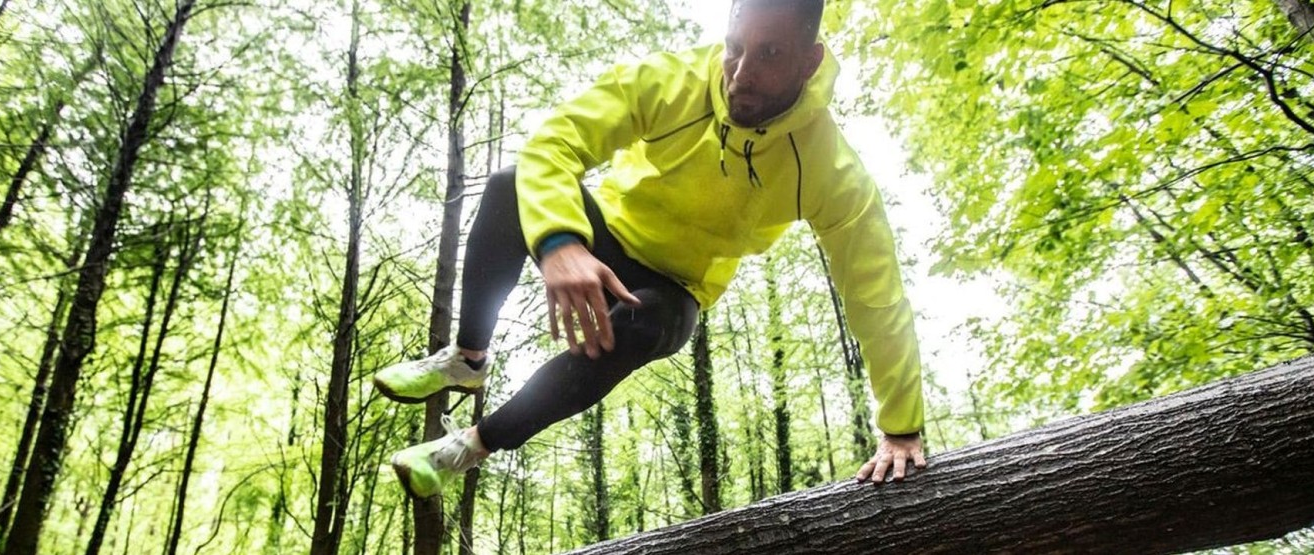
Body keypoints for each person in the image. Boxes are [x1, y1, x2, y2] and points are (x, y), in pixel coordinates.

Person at [375, 0, 926, 500]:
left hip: (675, 283)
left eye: (770, 54)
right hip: (606, 232)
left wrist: (900, 426)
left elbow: (876, 300)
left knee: (652, 321)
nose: (741, 74)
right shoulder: (674, 80)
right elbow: (557, 140)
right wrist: (561, 241)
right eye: (735, 48)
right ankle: (467, 359)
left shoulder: (830, 170)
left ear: (809, 63)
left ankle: (467, 448)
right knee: (508, 186)